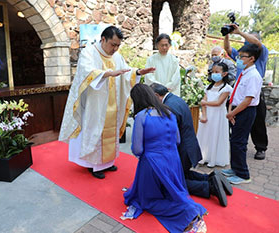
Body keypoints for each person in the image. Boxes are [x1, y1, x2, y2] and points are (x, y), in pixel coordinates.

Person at [58, 26, 155, 179]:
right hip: (95, 103)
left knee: (111, 130)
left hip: (113, 103)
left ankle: (107, 162)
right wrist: (107, 74)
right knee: (95, 129)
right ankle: (93, 164)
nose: (115, 49)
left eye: (118, 45)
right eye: (113, 44)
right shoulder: (89, 52)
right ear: (103, 39)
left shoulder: (116, 57)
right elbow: (86, 72)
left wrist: (137, 72)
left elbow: (125, 71)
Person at [122, 83, 207, 233]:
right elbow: (177, 140)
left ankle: (191, 215)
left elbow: (137, 149)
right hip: (173, 160)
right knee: (171, 193)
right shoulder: (169, 113)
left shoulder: (141, 116)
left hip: (152, 163)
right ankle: (190, 208)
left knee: (147, 201)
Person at [150, 83, 232, 207]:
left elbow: (170, 135)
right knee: (182, 173)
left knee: (172, 182)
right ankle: (211, 178)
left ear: (156, 95)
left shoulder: (168, 107)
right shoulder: (175, 99)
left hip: (183, 149)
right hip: (189, 145)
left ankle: (209, 187)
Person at [224, 24, 269, 160]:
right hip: (238, 93)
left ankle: (261, 148)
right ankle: (236, 145)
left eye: (249, 40)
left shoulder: (260, 54)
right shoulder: (241, 56)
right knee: (235, 122)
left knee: (258, 122)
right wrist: (226, 34)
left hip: (253, 94)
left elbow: (256, 43)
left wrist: (239, 32)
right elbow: (227, 49)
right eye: (245, 42)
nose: (247, 42)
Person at [223, 43, 262, 185]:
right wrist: (230, 111)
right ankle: (235, 169)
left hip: (245, 111)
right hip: (236, 110)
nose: (239, 59)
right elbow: (235, 95)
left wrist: (232, 113)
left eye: (242, 57)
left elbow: (247, 100)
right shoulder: (244, 73)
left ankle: (243, 174)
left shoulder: (253, 76)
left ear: (251, 58)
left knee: (239, 142)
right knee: (234, 141)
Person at [197, 63, 233, 167]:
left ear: (224, 74)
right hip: (208, 114)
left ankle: (214, 159)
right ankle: (203, 157)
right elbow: (203, 101)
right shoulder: (208, 87)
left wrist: (205, 103)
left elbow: (218, 103)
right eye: (213, 72)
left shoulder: (226, 88)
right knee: (205, 135)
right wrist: (204, 115)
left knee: (215, 135)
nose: (214, 74)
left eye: (217, 72)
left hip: (218, 115)